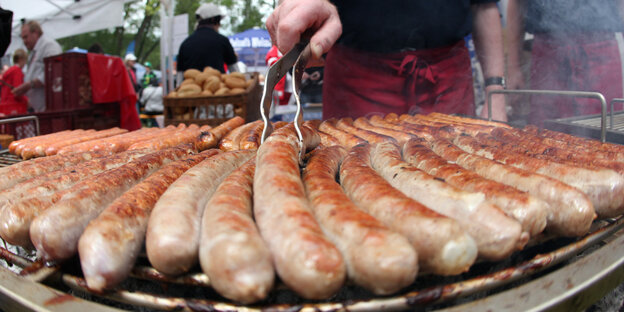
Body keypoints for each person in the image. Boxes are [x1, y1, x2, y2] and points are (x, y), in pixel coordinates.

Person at [266, 0, 507, 121]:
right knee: (349, 173)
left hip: (447, 76)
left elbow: (484, 6)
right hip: (356, 78)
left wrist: (496, 88)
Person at [506, 0, 624, 127]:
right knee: (546, 134)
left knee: (607, 132)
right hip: (547, 55)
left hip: (600, 53)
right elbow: (517, 3)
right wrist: (513, 67)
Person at [12, 20, 62, 113]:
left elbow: (54, 72)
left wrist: (28, 85)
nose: (24, 41)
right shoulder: (34, 51)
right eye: (23, 38)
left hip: (49, 109)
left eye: (26, 37)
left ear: (35, 32)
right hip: (40, 109)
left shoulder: (49, 46)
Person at [177, 3, 239, 75]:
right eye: (219, 21)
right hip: (218, 85)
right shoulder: (222, 41)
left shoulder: (185, 44)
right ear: (213, 19)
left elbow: (180, 75)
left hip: (191, 85)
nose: (220, 25)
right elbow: (235, 72)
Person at [0, 49, 28, 115]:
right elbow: (18, 92)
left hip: (4, 105)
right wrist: (27, 101)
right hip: (14, 107)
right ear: (21, 59)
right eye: (25, 60)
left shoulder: (9, 71)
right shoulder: (17, 71)